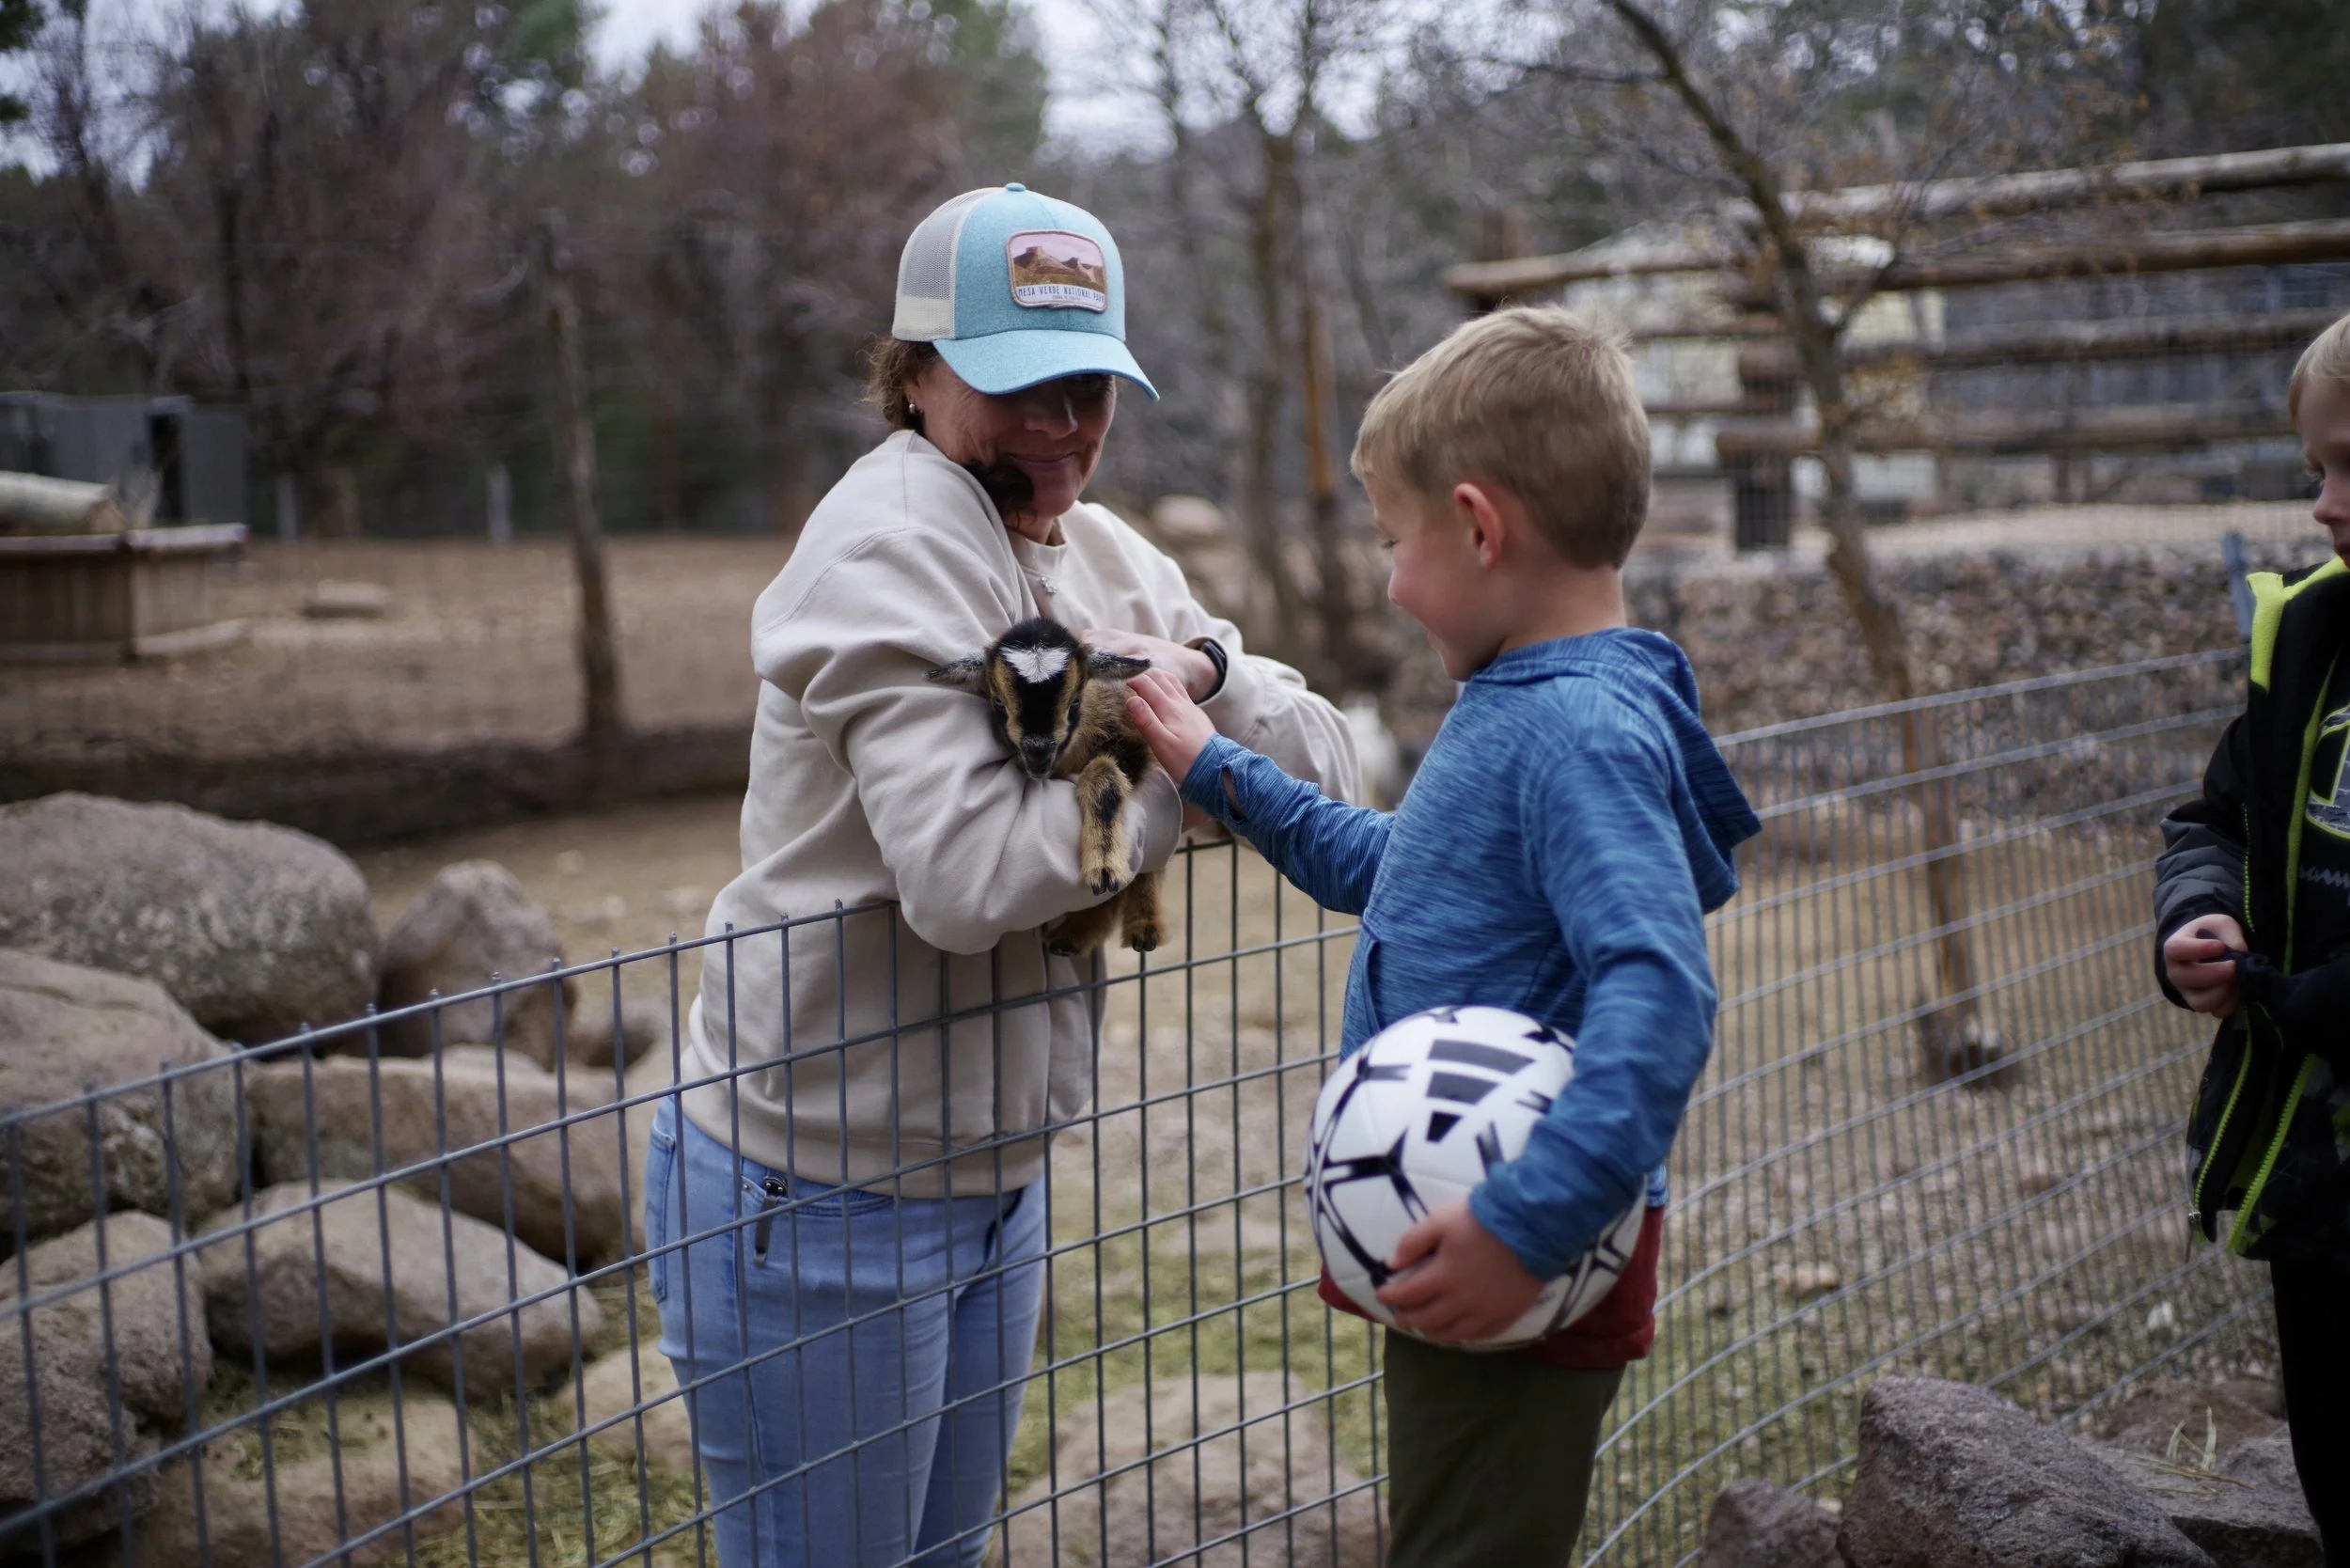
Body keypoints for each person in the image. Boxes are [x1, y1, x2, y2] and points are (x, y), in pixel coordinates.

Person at [642, 182, 1359, 1568]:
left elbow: (1323, 764)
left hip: (991, 1184)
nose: (1062, 422)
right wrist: (1184, 762)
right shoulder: (888, 550)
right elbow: (971, 882)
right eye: (1018, 383)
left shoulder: (1094, 550)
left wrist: (1201, 673)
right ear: (914, 374)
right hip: (824, 1193)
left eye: (1089, 386)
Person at [1123, 305, 1760, 1567]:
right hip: (1469, 1224)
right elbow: (1405, 874)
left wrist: (1526, 1223)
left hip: (1513, 1241)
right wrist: (1217, 770)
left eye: (1392, 543)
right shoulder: (1528, 699)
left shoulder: (1573, 732)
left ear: (1477, 527)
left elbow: (1663, 988)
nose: (1390, 583)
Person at [2156, 308, 2350, 1564]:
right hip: (2315, 1183)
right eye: (2317, 467)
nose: (2325, 506)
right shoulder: (2314, 639)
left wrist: (2298, 998)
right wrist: (2198, 916)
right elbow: (2213, 818)